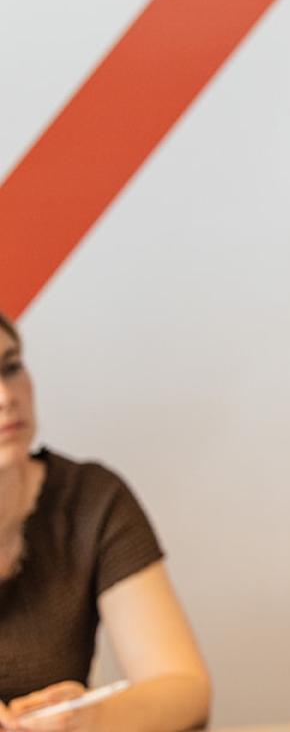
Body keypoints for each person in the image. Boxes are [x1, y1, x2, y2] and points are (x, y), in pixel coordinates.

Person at [0, 312, 212, 732]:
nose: (6, 396)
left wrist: (90, 719)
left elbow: (185, 688)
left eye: (11, 368)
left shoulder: (89, 500)